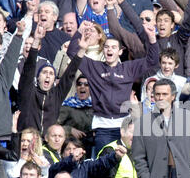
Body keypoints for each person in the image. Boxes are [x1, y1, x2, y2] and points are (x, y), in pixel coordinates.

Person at [66, 20, 159, 154]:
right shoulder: (94, 67)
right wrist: (79, 31)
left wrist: (152, 39)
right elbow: (72, 52)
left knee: (123, 165)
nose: (110, 50)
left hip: (124, 126)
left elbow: (153, 60)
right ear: (103, 49)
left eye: (114, 47)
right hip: (102, 127)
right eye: (107, 47)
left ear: (120, 52)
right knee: (103, 165)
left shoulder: (129, 68)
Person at [16, 23, 86, 136]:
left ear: (54, 80)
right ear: (38, 77)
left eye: (51, 73)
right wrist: (36, 41)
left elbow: (69, 75)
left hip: (48, 145)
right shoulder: (28, 91)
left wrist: (82, 50)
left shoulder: (56, 95)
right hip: (27, 141)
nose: (48, 75)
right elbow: (28, 69)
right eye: (44, 72)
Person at [48, 136, 126, 178]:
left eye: (75, 149)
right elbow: (62, 166)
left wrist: (115, 156)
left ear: (82, 152)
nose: (71, 152)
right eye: (68, 149)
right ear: (62, 153)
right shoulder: (56, 167)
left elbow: (100, 164)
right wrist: (71, 159)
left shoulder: (85, 166)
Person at [57, 76, 94, 156]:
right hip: (72, 149)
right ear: (76, 87)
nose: (82, 86)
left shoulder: (96, 106)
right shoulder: (68, 106)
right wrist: (70, 130)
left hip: (90, 148)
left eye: (86, 84)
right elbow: (54, 126)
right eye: (79, 84)